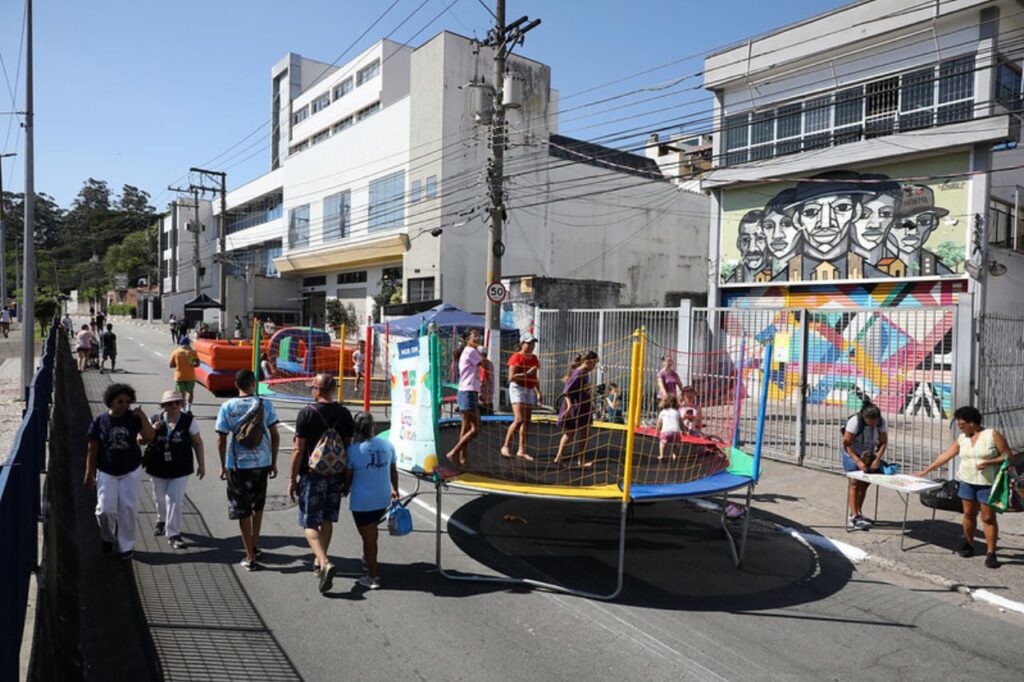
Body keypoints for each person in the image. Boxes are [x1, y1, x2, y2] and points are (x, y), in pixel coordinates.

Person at [916, 406, 1014, 569]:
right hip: (967, 482)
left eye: (962, 424)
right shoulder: (962, 438)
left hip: (987, 484)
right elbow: (945, 456)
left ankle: (991, 553)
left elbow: (1008, 456)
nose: (960, 427)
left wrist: (989, 462)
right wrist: (926, 471)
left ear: (972, 423)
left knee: (988, 518)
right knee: (968, 514)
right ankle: (968, 543)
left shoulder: (991, 435)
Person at [287, 374, 355, 594]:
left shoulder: (307, 413)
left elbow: (298, 450)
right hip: (335, 475)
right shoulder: (344, 414)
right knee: (326, 518)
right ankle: (319, 561)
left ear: (317, 389)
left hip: (312, 475)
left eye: (313, 388)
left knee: (308, 523)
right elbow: (348, 449)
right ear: (333, 390)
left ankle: (324, 561)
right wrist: (347, 479)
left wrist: (292, 479)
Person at [215, 369, 281, 571]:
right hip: (261, 463)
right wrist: (273, 461)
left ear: (236, 385)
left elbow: (221, 437)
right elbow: (275, 435)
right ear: (254, 384)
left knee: (242, 509)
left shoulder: (228, 406)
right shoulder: (265, 404)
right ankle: (255, 544)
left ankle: (249, 556)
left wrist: (222, 466)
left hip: (238, 465)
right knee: (257, 506)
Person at [84, 383, 156, 559]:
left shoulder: (133, 418)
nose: (124, 405)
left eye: (127, 401)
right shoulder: (100, 421)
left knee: (128, 509)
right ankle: (107, 537)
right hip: (107, 470)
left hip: (130, 469)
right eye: (120, 402)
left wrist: (143, 417)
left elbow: (149, 437)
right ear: (110, 402)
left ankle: (126, 546)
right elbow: (92, 449)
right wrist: (89, 473)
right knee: (104, 510)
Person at [343, 412, 398, 590]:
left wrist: (344, 489)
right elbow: (393, 469)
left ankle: (373, 576)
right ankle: (369, 559)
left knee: (368, 537)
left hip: (363, 501)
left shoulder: (353, 450)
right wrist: (394, 488)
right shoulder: (387, 445)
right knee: (371, 532)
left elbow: (348, 478)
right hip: (382, 498)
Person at [144, 390, 205, 549]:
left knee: (174, 499)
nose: (174, 406)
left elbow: (198, 443)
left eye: (178, 403)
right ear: (163, 406)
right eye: (170, 403)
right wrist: (152, 431)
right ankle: (161, 520)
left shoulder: (188, 421)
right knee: (159, 498)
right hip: (157, 467)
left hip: (181, 468)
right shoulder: (154, 420)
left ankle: (173, 534)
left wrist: (202, 464)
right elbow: (141, 440)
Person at [840, 400, 888, 531]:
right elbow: (846, 444)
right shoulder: (855, 422)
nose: (873, 425)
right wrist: (858, 461)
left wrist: (877, 458)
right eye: (870, 423)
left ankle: (858, 512)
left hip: (868, 452)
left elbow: (883, 443)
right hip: (851, 452)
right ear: (865, 418)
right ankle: (853, 516)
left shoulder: (881, 423)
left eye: (875, 422)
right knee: (854, 482)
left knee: (865, 482)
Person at [553, 351, 599, 468]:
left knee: (585, 433)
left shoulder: (585, 373)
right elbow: (566, 392)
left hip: (584, 407)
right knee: (570, 433)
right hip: (575, 408)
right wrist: (568, 407)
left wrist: (591, 403)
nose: (595, 366)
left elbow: (585, 391)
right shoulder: (578, 373)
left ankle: (581, 460)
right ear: (587, 361)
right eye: (594, 363)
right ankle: (558, 457)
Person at [502, 334, 542, 460]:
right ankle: (506, 446)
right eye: (529, 343)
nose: (531, 346)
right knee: (519, 419)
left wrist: (539, 393)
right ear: (522, 344)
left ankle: (522, 450)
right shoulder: (516, 357)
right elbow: (511, 377)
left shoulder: (534, 358)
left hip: (529, 388)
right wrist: (526, 373)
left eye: (533, 344)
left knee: (527, 421)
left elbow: (534, 377)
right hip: (517, 388)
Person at [446, 329, 482, 466]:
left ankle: (463, 458)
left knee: (466, 427)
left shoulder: (468, 351)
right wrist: (483, 352)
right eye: (475, 336)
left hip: (466, 391)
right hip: (468, 392)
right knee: (476, 428)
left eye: (479, 336)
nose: (478, 338)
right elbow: (484, 364)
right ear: (467, 339)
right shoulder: (471, 351)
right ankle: (454, 452)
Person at [169, 336, 199, 412]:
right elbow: (197, 364)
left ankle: (183, 410)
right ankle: (189, 409)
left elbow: (171, 365)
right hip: (190, 376)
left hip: (179, 376)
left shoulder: (175, 352)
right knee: (190, 393)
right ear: (188, 343)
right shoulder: (192, 352)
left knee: (181, 395)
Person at [655, 395, 683, 461]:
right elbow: (681, 423)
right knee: (676, 444)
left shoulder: (662, 412)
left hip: (666, 431)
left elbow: (659, 423)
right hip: (676, 432)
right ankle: (675, 455)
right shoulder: (677, 412)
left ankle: (661, 455)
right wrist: (684, 430)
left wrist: (657, 431)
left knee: (662, 443)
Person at [478, 347, 495, 416]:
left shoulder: (482, 365)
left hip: (483, 396)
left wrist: (480, 393)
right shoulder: (489, 364)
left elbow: (483, 381)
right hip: (488, 396)